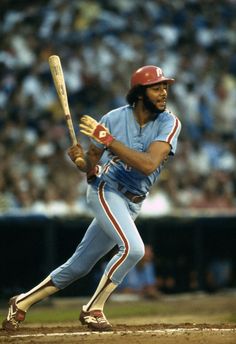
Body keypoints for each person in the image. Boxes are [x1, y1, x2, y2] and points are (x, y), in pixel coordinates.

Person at [2, 65, 181, 332]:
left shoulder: (169, 122)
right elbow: (90, 167)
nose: (164, 92)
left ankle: (22, 302)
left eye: (165, 86)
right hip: (106, 189)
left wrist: (108, 141)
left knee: (80, 265)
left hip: (133, 201)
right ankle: (93, 309)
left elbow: (148, 165)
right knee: (134, 250)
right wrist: (80, 159)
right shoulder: (111, 118)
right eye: (157, 87)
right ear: (140, 93)